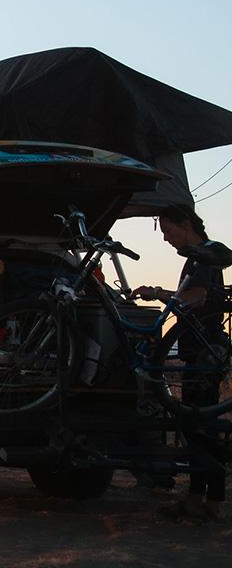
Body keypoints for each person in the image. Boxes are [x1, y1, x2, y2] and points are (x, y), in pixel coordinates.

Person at [133, 204, 228, 522]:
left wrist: (161, 293)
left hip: (204, 354)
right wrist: (160, 294)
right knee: (194, 428)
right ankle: (195, 498)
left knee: (202, 428)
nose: (166, 239)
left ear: (185, 224)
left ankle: (212, 502)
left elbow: (197, 297)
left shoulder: (203, 256)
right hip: (197, 351)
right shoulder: (201, 255)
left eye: (168, 231)